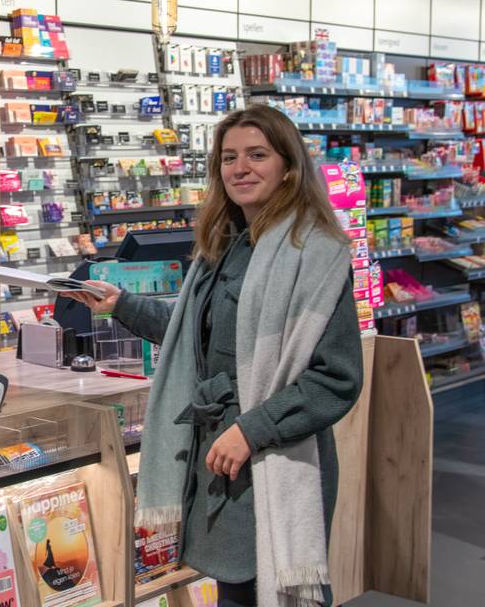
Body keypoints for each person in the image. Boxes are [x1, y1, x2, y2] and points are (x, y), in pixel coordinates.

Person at [64, 104, 362, 607]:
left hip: (270, 455)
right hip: (221, 459)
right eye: (228, 158)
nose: (240, 168)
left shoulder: (314, 253)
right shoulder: (222, 247)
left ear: (289, 166)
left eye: (256, 155)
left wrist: (252, 429)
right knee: (236, 589)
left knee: (270, 589)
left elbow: (336, 378)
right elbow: (193, 339)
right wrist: (120, 304)